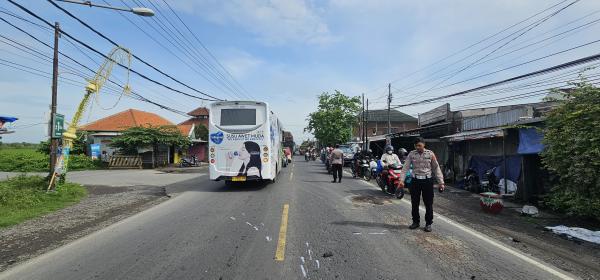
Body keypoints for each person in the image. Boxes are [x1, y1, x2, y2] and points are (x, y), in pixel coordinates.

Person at [398, 137, 444, 232]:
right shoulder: (411, 154)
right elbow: (405, 168)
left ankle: (428, 223)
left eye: (419, 145)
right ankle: (415, 222)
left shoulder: (430, 154)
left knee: (428, 203)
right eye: (416, 146)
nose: (417, 147)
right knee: (414, 203)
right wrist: (401, 180)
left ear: (424, 144)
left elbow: (436, 168)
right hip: (415, 181)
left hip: (427, 181)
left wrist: (441, 182)